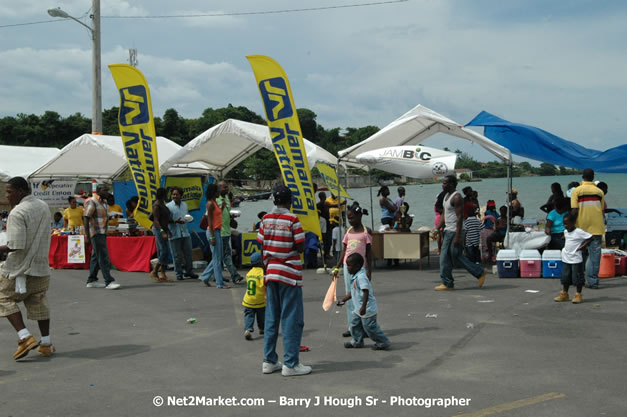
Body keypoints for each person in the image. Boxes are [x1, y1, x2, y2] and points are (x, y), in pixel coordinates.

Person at [257, 185, 310, 377]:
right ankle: (291, 363)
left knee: (272, 318)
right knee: (291, 318)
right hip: (289, 273)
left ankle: (269, 360)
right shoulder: (292, 219)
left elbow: (261, 244)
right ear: (290, 201)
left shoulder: (266, 219)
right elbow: (301, 246)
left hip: (271, 272)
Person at [0, 177, 55, 360]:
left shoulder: (17, 213)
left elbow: (16, 245)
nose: (7, 196)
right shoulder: (43, 206)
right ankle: (46, 343)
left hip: (19, 269)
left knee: (3, 297)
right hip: (40, 266)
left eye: (9, 191)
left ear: (21, 191)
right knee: (38, 301)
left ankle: (24, 337)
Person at [435, 175, 487, 290]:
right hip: (448, 230)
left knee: (444, 257)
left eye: (444, 183)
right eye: (442, 183)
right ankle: (479, 272)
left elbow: (460, 217)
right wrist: (437, 228)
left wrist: (458, 237)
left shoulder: (457, 197)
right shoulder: (446, 196)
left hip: (455, 231)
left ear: (452, 184)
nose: (442, 185)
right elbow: (444, 214)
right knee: (455, 256)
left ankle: (447, 283)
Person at [332, 202, 372, 338]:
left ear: (360, 216)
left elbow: (369, 253)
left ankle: (364, 325)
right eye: (348, 218)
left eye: (353, 218)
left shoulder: (367, 232)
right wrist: (337, 267)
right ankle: (352, 326)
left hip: (361, 269)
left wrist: (369, 271)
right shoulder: (348, 231)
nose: (350, 220)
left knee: (361, 297)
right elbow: (344, 250)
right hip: (348, 267)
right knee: (350, 295)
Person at [337, 253, 390, 350]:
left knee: (370, 328)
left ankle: (383, 341)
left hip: (367, 309)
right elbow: (353, 292)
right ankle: (357, 342)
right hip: (359, 309)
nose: (347, 268)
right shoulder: (355, 276)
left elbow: (366, 291)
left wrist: (364, 307)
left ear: (357, 266)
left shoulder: (361, 277)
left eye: (349, 265)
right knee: (354, 325)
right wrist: (343, 300)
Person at [570, 168, 605, 289]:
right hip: (596, 228)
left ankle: (577, 280)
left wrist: (570, 225)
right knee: (594, 256)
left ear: (582, 176)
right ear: (593, 177)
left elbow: (574, 210)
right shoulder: (599, 192)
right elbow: (602, 210)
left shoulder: (576, 191)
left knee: (578, 254)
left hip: (581, 228)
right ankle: (593, 282)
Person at [84, 184, 120, 290]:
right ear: (99, 191)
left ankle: (92, 280)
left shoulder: (104, 203)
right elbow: (86, 217)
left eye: (108, 190)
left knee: (96, 256)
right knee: (103, 256)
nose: (107, 192)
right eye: (105, 190)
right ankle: (109, 281)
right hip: (96, 233)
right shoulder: (93, 201)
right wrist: (87, 235)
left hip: (103, 232)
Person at [554, 214, 593, 304]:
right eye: (564, 224)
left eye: (567, 223)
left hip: (575, 258)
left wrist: (582, 247)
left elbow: (590, 238)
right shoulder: (566, 232)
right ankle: (564, 293)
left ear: (573, 223)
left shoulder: (579, 232)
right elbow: (566, 238)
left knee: (577, 277)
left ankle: (578, 294)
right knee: (565, 276)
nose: (566, 226)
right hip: (566, 257)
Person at [199, 184, 228, 288]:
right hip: (213, 231)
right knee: (217, 258)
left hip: (217, 231)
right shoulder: (210, 204)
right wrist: (212, 237)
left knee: (218, 257)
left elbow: (217, 217)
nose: (219, 192)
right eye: (217, 190)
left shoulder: (215, 203)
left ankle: (205, 276)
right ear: (214, 192)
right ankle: (220, 283)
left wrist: (223, 208)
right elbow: (210, 222)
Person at [166, 187, 198, 281]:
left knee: (188, 253)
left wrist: (190, 219)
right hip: (174, 233)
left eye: (177, 194)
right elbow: (166, 219)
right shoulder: (168, 206)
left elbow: (186, 216)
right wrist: (176, 221)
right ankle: (178, 273)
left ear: (181, 196)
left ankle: (189, 271)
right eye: (173, 194)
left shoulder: (184, 205)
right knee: (176, 255)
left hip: (185, 232)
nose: (175, 196)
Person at [217, 181, 243, 284]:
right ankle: (235, 275)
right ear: (218, 189)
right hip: (220, 232)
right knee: (226, 255)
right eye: (224, 187)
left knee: (220, 256)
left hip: (227, 231)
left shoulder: (227, 198)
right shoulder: (216, 201)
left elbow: (226, 213)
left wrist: (231, 217)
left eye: (227, 187)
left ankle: (212, 275)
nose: (226, 189)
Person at [150, 188, 172, 283]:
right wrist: (162, 232)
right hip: (159, 230)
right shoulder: (157, 205)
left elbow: (166, 220)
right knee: (163, 250)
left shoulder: (163, 204)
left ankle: (163, 274)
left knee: (165, 252)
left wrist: (169, 229)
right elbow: (156, 220)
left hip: (164, 229)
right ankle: (155, 271)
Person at [243, 251, 265, 340]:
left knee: (249, 315)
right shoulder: (262, 272)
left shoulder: (249, 273)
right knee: (262, 315)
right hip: (259, 299)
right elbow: (263, 285)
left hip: (248, 299)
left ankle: (247, 330)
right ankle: (262, 328)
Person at [316, 192, 332, 259]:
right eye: (324, 195)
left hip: (328, 224)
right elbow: (318, 215)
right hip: (323, 225)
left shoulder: (325, 204)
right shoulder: (320, 205)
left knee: (327, 241)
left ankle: (326, 253)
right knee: (325, 240)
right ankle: (324, 254)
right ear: (322, 196)